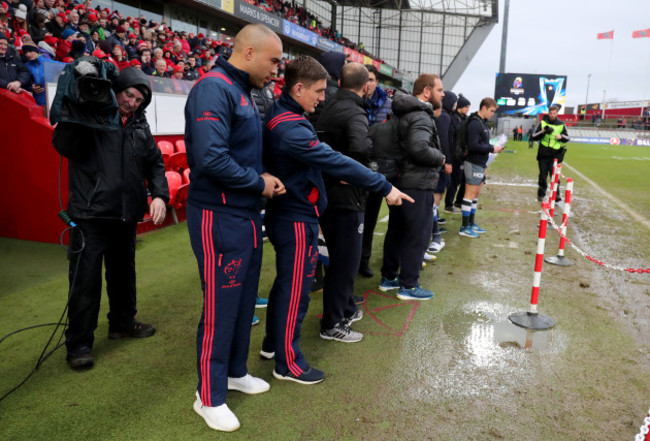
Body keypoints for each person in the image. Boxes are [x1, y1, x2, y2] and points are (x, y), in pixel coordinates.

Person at [260, 55, 411, 382]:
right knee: (296, 290)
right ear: (298, 88)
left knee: (286, 284)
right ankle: (288, 363)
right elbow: (334, 160)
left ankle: (273, 344)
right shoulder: (291, 126)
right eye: (317, 90)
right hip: (295, 214)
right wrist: (384, 185)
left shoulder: (287, 114)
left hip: (292, 209)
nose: (323, 97)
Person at [184, 24, 285, 433]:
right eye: (274, 60)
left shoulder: (243, 89)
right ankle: (208, 396)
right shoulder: (214, 87)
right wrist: (258, 181)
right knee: (221, 307)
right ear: (247, 53)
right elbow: (210, 159)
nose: (278, 70)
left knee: (245, 301)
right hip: (217, 215)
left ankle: (235, 371)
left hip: (244, 214)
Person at [52, 65, 169, 370]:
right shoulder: (90, 116)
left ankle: (122, 323)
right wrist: (78, 108)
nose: (133, 102)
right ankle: (78, 343)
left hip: (125, 215)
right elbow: (63, 145)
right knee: (84, 282)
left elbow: (155, 163)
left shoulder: (140, 126)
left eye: (140, 100)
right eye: (129, 95)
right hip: (89, 216)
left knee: (123, 274)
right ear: (117, 89)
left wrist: (159, 194)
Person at [314, 62, 379, 342]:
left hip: (329, 193)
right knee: (346, 261)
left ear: (339, 82)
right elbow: (361, 147)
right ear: (365, 87)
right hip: (345, 198)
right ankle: (333, 322)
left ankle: (344, 309)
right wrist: (357, 171)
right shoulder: (354, 110)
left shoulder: (328, 105)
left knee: (339, 259)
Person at [379, 74, 445, 301]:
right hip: (416, 183)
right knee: (418, 234)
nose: (442, 94)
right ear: (426, 92)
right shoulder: (420, 115)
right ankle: (408, 285)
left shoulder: (405, 111)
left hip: (402, 180)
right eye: (439, 90)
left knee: (396, 231)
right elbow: (419, 148)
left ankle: (389, 278)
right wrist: (440, 157)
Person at [359, 64, 393, 278]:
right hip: (356, 165)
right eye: (365, 80)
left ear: (376, 82)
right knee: (355, 219)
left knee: (370, 218)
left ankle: (363, 260)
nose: (367, 84)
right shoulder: (354, 101)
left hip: (378, 169)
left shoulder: (388, 105)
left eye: (371, 79)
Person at [458, 97, 504, 238]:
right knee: (469, 194)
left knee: (475, 194)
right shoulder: (474, 124)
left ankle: (471, 223)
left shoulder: (482, 123)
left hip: (480, 163)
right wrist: (492, 148)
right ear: (483, 107)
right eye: (491, 111)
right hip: (473, 162)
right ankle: (464, 227)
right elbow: (472, 145)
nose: (492, 114)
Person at [429, 91, 457, 255]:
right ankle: (435, 236)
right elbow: (444, 141)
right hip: (439, 162)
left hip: (436, 161)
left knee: (433, 202)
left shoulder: (442, 116)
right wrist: (448, 162)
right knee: (434, 201)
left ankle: (434, 234)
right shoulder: (444, 117)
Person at [531, 104, 569, 202]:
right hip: (543, 154)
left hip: (555, 155)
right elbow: (534, 136)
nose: (552, 115)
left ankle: (556, 195)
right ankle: (541, 194)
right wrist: (543, 132)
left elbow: (567, 138)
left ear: (557, 113)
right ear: (548, 113)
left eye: (554, 113)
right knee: (542, 176)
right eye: (551, 113)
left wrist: (561, 137)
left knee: (554, 175)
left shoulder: (561, 124)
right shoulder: (543, 122)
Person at [444, 94, 470, 213]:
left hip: (461, 154)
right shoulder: (454, 118)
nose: (468, 109)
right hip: (455, 155)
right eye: (466, 106)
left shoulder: (463, 118)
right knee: (454, 180)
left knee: (461, 179)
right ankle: (449, 204)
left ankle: (458, 201)